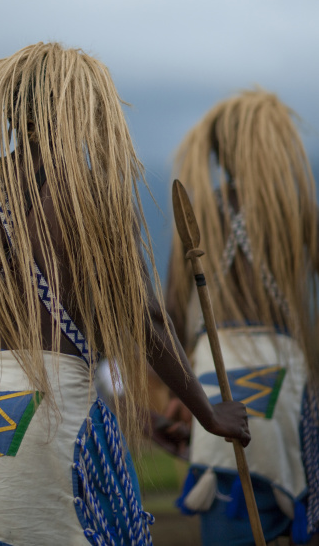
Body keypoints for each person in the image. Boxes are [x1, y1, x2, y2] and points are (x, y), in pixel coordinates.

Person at [0, 42, 250, 546]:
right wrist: (210, 414)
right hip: (59, 414)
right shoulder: (90, 190)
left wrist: (2, 292)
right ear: (72, 106)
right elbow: (146, 320)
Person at [166, 90, 319, 545]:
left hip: (213, 379)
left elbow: (172, 314)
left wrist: (181, 394)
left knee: (228, 513)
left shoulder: (199, 218)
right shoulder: (291, 211)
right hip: (284, 378)